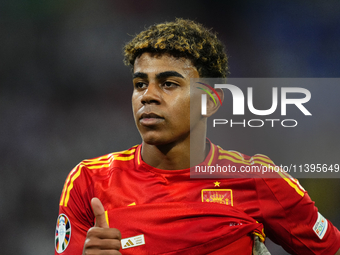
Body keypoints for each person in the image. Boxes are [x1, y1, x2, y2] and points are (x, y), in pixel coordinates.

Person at [55, 19, 340, 255]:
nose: (147, 96)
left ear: (210, 102)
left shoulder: (260, 180)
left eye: (168, 84)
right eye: (140, 84)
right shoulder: (89, 182)